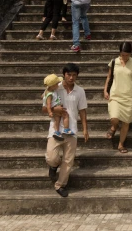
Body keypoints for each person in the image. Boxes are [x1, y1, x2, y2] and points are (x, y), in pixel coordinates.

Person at [45, 63, 89, 198]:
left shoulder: (80, 91)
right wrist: (53, 109)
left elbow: (82, 111)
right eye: (69, 74)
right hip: (56, 129)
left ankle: (60, 185)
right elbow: (43, 107)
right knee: (51, 157)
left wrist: (85, 129)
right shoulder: (54, 88)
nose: (71, 77)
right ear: (64, 74)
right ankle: (53, 166)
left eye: (74, 75)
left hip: (72, 130)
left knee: (68, 160)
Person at [103, 42, 132, 153]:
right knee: (114, 117)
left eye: (127, 55)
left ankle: (121, 144)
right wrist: (105, 89)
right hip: (116, 94)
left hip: (129, 95)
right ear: (119, 53)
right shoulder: (113, 62)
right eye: (123, 55)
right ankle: (113, 127)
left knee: (126, 122)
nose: (125, 57)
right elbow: (109, 77)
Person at [43, 74, 73, 140]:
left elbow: (43, 96)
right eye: (57, 84)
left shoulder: (50, 91)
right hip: (56, 108)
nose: (58, 85)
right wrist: (50, 112)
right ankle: (66, 129)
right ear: (53, 86)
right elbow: (48, 104)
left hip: (56, 108)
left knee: (57, 120)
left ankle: (57, 132)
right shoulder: (50, 94)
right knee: (66, 115)